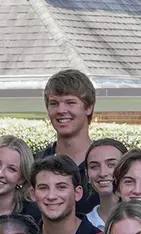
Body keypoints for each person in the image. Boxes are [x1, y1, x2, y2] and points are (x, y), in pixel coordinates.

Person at [38, 69, 98, 202]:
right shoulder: (36, 164)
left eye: (70, 102)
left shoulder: (105, 167)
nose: (61, 110)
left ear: (89, 108)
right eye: (54, 104)